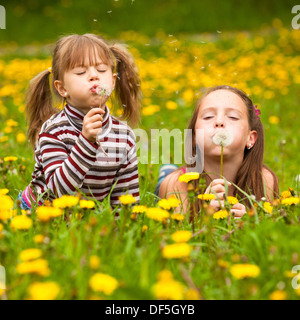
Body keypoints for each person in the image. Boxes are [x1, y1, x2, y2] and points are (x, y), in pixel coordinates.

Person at [20, 33, 141, 210]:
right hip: (41, 214)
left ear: (113, 81)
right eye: (80, 72)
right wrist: (86, 142)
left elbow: (126, 199)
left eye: (101, 70)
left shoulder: (124, 136)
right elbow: (58, 192)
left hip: (81, 218)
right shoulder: (53, 131)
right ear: (62, 88)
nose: (94, 76)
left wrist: (122, 233)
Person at [157, 85, 279, 217]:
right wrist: (207, 219)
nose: (219, 122)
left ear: (250, 138)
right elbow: (177, 233)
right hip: (177, 178)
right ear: (194, 138)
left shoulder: (263, 181)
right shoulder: (176, 186)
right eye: (208, 117)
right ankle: (166, 171)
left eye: (233, 117)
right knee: (164, 181)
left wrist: (247, 225)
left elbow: (268, 231)